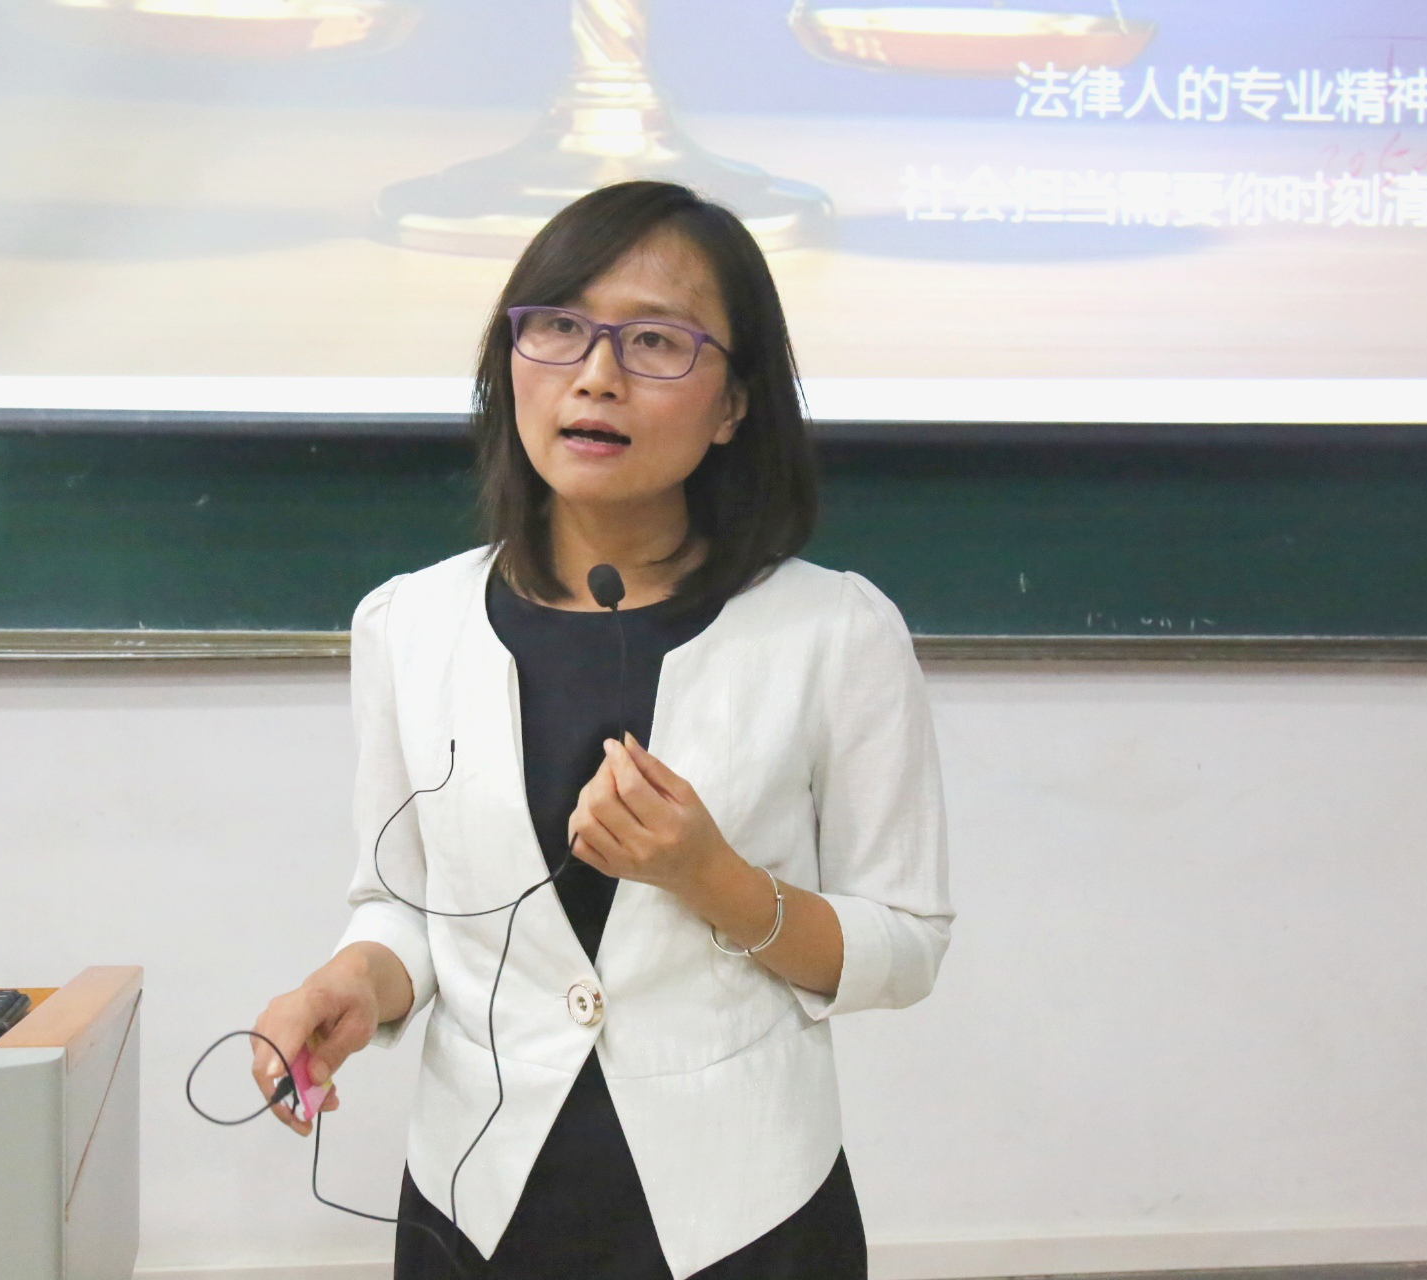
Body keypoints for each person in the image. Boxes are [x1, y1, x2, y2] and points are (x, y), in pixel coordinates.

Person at [250, 180, 950, 1280]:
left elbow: (905, 945)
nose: (596, 374)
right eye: (559, 327)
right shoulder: (408, 623)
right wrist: (355, 983)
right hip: (477, 1197)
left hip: (745, 1210)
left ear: (734, 403)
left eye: (656, 340)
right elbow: (404, 903)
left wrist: (714, 879)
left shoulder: (835, 630)